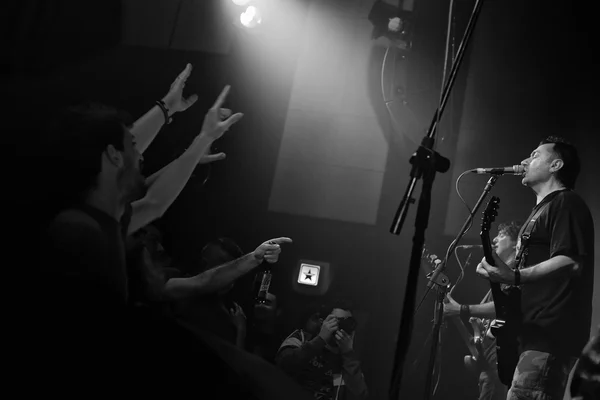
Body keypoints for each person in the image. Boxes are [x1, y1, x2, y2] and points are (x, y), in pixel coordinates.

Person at [34, 65, 245, 388]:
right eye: (134, 145)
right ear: (114, 157)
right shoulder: (76, 231)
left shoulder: (107, 222)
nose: (143, 154)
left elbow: (155, 203)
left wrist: (200, 135)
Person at [476, 136, 595, 399]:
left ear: (556, 165)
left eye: (535, 155)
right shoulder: (539, 211)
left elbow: (570, 261)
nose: (524, 161)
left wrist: (514, 275)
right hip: (530, 335)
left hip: (550, 336)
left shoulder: (566, 203)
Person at [444, 221, 521, 400]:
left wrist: (461, 310)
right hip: (488, 360)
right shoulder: (497, 283)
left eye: (502, 235)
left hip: (499, 360)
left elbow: (504, 308)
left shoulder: (516, 275)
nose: (494, 239)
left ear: (516, 244)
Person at [275, 300, 369, 400]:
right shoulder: (301, 338)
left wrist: (348, 354)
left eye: (347, 322)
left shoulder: (346, 361)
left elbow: (359, 396)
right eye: (337, 321)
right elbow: (283, 364)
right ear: (322, 322)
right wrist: (320, 340)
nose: (342, 327)